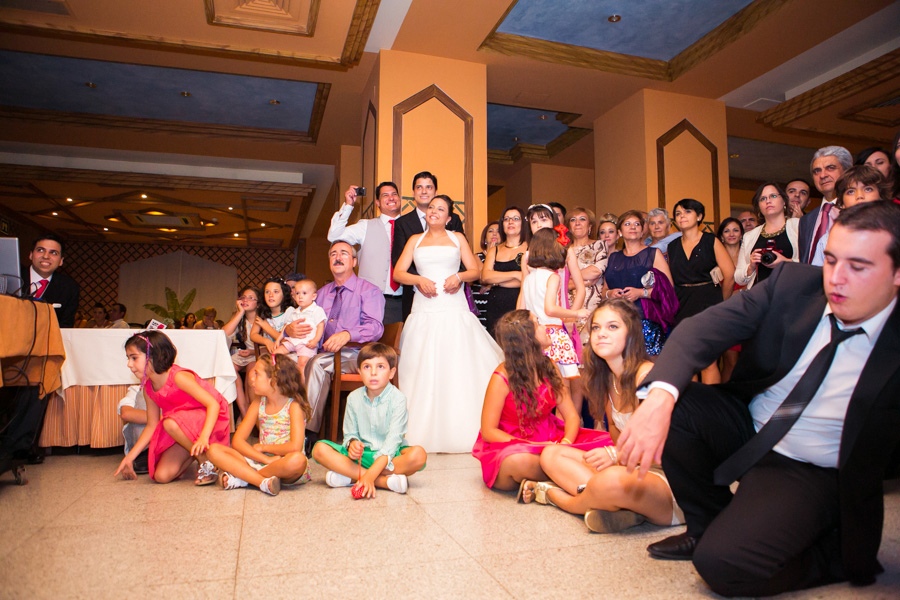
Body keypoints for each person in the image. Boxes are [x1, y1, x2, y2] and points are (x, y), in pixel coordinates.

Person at [616, 201, 900, 596]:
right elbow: (700, 330)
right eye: (832, 260)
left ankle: (829, 553)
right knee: (675, 403)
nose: (836, 279)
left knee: (722, 566)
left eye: (859, 266)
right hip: (749, 422)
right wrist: (660, 399)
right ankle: (706, 527)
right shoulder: (793, 284)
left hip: (808, 465)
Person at [537, 300, 684, 532]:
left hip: (673, 483)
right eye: (596, 328)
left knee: (610, 480)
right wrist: (616, 455)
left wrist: (616, 455)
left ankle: (559, 498)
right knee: (551, 454)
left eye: (612, 327)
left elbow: (672, 449)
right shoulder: (607, 380)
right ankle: (621, 509)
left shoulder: (646, 376)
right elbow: (617, 440)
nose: (601, 334)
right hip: (633, 472)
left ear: (631, 334)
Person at [394, 195, 503, 453]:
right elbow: (399, 272)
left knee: (455, 366)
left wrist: (458, 276)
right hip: (424, 308)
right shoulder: (414, 240)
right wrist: (418, 280)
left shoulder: (457, 238)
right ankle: (420, 431)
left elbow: (475, 271)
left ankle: (461, 429)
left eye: (440, 209)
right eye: (431, 207)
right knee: (421, 366)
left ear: (449, 217)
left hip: (453, 308)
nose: (434, 211)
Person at [472, 310, 611, 493]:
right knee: (518, 461)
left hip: (552, 440)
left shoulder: (549, 366)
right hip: (513, 447)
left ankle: (554, 481)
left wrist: (566, 443)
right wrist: (530, 446)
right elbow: (489, 431)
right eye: (538, 324)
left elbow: (571, 416)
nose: (545, 328)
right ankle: (573, 477)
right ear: (528, 338)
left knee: (606, 442)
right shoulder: (502, 377)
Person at [114, 331, 230, 485]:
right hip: (182, 426)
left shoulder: (178, 377)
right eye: (128, 358)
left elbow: (213, 405)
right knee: (162, 476)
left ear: (152, 356)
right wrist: (130, 457)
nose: (129, 364)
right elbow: (152, 425)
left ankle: (205, 461)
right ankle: (199, 454)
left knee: (169, 422)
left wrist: (203, 437)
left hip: (211, 419)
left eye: (134, 358)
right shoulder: (148, 388)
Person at [312, 343, 427, 497]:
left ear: (391, 372)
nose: (373, 372)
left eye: (380, 367)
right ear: (359, 371)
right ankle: (384, 482)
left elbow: (393, 442)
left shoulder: (398, 399)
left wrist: (369, 476)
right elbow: (350, 433)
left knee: (418, 455)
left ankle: (351, 477)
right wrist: (352, 443)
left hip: (390, 456)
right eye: (367, 367)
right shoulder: (353, 398)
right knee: (319, 449)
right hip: (362, 457)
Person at [302, 241, 385, 438]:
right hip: (325, 353)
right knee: (284, 362)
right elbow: (308, 322)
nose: (337, 257)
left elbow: (375, 327)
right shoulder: (321, 294)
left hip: (357, 354)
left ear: (354, 261)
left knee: (318, 363)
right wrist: (291, 329)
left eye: (344, 253)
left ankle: (307, 433)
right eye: (333, 254)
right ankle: (279, 428)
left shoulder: (369, 291)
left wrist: (348, 334)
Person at [206, 356, 311, 496]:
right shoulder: (258, 403)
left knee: (297, 460)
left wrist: (264, 447)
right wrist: (265, 459)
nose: (251, 379)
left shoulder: (293, 406)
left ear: (273, 380)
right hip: (260, 460)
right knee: (213, 450)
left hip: (283, 464)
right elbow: (237, 441)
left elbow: (295, 447)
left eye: (257, 374)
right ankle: (261, 481)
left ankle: (244, 478)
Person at [668, 199, 734, 384]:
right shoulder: (672, 246)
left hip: (708, 302)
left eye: (687, 212)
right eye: (678, 213)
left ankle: (709, 407)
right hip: (682, 304)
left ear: (699, 216)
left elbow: (729, 274)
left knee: (708, 361)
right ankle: (693, 407)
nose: (682, 217)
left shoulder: (710, 240)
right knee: (686, 362)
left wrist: (722, 302)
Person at [391, 171, 463, 321]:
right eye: (419, 187)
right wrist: (420, 282)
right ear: (413, 192)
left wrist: (458, 278)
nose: (424, 191)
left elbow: (462, 255)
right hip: (415, 294)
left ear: (435, 191)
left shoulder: (453, 219)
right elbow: (398, 260)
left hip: (450, 292)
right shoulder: (402, 223)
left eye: (429, 187)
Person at [328, 183, 404, 324]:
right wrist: (348, 205)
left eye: (394, 194)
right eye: (385, 195)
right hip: (370, 300)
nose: (391, 198)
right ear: (377, 203)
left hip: (403, 301)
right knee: (370, 345)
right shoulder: (365, 226)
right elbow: (333, 236)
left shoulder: (410, 226)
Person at [602, 210, 675, 356]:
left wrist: (641, 292)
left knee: (648, 366)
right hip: (617, 320)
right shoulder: (613, 257)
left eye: (637, 224)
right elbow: (604, 290)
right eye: (627, 224)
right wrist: (611, 293)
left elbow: (669, 289)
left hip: (645, 319)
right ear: (620, 232)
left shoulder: (653, 254)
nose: (633, 227)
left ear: (642, 231)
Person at [521, 228, 590, 379]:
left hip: (533, 334)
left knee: (540, 380)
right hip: (552, 335)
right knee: (560, 384)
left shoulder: (529, 278)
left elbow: (521, 308)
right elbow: (550, 309)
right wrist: (576, 313)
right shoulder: (553, 277)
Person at [811, 164, 890, 266]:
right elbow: (819, 277)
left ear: (881, 196)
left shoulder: (894, 232)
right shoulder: (828, 240)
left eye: (868, 189)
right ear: (842, 204)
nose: (860, 196)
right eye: (851, 191)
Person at [735, 182, 799, 289]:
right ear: (759, 207)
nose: (768, 201)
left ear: (784, 201)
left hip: (791, 293)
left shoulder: (799, 226)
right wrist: (751, 267)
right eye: (762, 199)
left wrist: (786, 262)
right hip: (759, 297)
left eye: (773, 196)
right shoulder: (749, 236)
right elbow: (738, 278)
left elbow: (812, 264)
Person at [798, 145, 852, 263]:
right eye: (817, 171)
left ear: (846, 172)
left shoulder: (856, 210)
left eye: (830, 168)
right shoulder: (806, 220)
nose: (822, 175)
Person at [481, 206, 528, 335]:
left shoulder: (530, 248)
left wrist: (497, 281)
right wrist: (516, 274)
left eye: (515, 219)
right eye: (506, 219)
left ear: (522, 223)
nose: (510, 222)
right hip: (495, 305)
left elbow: (529, 280)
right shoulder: (494, 250)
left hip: (520, 303)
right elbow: (485, 277)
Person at [567, 206, 608, 347]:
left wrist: (569, 280)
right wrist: (582, 282)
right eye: (573, 220)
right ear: (569, 226)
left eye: (582, 219)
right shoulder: (562, 250)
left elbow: (595, 272)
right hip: (566, 309)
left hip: (591, 307)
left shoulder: (599, 246)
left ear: (590, 226)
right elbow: (557, 281)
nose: (577, 223)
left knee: (590, 352)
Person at [274, 279, 326, 381]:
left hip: (307, 343)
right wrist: (278, 339)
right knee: (276, 354)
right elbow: (286, 326)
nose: (300, 296)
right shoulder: (295, 312)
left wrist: (315, 340)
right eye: (297, 293)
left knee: (302, 364)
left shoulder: (317, 310)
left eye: (304, 293)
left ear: (314, 296)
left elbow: (321, 326)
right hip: (293, 341)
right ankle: (276, 379)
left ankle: (301, 388)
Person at [25, 234, 80, 328]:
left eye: (53, 253)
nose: (46, 256)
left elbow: (65, 326)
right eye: (40, 250)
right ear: (31, 255)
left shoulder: (69, 288)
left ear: (61, 261)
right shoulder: (10, 277)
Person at [222, 286, 260, 417]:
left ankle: (252, 414)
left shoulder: (262, 318)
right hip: (247, 354)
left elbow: (270, 344)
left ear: (258, 303)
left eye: (251, 298)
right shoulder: (240, 318)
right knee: (228, 369)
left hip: (259, 353)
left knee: (251, 373)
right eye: (243, 297)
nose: (246, 300)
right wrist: (240, 313)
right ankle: (244, 413)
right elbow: (224, 333)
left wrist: (251, 352)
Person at [715, 217, 745, 382]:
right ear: (721, 236)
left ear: (742, 234)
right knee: (730, 361)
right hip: (724, 314)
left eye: (735, 230)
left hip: (748, 312)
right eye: (727, 231)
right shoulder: (715, 257)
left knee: (746, 362)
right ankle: (725, 400)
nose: (731, 234)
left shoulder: (748, 255)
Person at [117, 385, 148, 474]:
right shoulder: (135, 390)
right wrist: (162, 418)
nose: (133, 370)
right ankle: (143, 452)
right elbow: (126, 414)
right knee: (142, 396)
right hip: (143, 439)